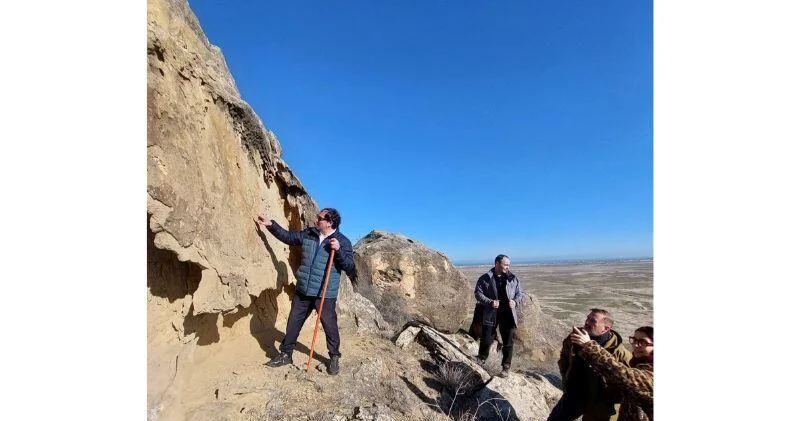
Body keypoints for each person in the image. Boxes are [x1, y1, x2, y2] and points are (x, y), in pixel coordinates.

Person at [255, 207, 355, 375]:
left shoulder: (342, 241)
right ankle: (286, 354)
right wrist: (271, 225)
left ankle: (334, 357)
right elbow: (289, 237)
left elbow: (350, 267)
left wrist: (338, 251)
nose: (316, 220)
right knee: (293, 323)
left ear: (330, 223)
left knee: (330, 327)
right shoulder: (309, 234)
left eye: (320, 218)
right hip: (303, 290)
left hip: (324, 294)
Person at [547, 309, 633, 421]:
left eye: (593, 321)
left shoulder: (619, 353)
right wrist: (565, 379)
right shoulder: (575, 337)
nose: (587, 322)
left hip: (601, 405)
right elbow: (564, 358)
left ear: (605, 329)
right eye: (587, 318)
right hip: (573, 395)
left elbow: (630, 382)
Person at [569, 326, 654, 421]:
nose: (636, 345)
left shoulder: (651, 373)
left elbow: (623, 374)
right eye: (634, 340)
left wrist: (589, 345)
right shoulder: (637, 364)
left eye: (643, 342)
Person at [473, 254, 523, 378]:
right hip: (491, 312)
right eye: (506, 264)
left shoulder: (513, 278)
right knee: (487, 338)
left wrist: (515, 302)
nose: (508, 267)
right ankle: (481, 359)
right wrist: (490, 302)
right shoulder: (485, 278)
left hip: (508, 314)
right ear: (497, 264)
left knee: (508, 342)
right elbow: (478, 294)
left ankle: (506, 368)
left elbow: (520, 293)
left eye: (508, 265)